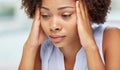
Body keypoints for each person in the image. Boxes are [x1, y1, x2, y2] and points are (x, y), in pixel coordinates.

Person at [19, 0, 120, 70]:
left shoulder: (111, 39)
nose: (54, 26)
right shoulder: (41, 49)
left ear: (88, 12)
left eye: (65, 15)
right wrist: (29, 47)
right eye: (45, 15)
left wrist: (90, 47)